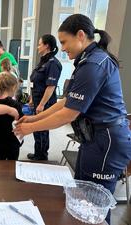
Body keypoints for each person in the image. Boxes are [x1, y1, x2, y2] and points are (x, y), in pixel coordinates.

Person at [13, 14, 131, 224]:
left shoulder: (95, 63)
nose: (63, 48)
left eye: (64, 42)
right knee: (82, 194)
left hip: (106, 141)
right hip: (92, 138)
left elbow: (69, 113)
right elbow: (67, 101)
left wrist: (30, 129)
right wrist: (34, 119)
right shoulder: (86, 61)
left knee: (95, 203)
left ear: (81, 35)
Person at [27, 34, 62, 161]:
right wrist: (32, 99)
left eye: (40, 44)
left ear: (47, 46)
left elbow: (50, 86)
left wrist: (41, 104)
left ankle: (42, 155)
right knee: (37, 127)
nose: (38, 47)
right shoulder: (44, 61)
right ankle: (38, 152)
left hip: (45, 102)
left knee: (42, 127)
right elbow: (35, 82)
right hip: (37, 99)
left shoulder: (53, 63)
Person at [0, 72, 24, 160]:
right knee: (12, 164)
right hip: (12, 142)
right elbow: (21, 123)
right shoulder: (15, 105)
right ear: (13, 87)